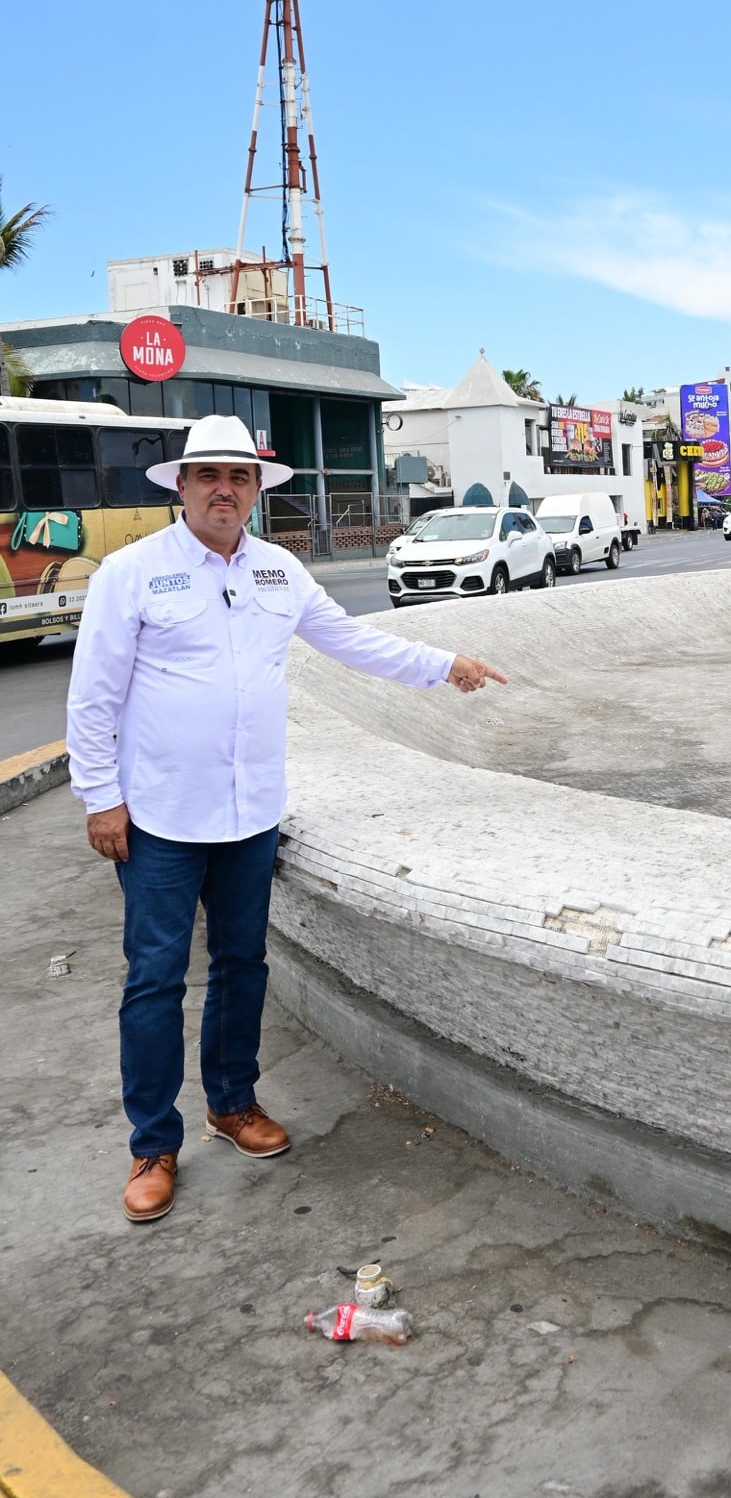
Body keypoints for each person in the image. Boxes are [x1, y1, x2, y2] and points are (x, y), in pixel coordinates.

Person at [66, 414, 506, 1225]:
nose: (224, 490)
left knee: (243, 964)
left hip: (250, 813)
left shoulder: (278, 570)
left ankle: (232, 1104)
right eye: (209, 476)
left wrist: (445, 664)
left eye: (239, 477)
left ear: (257, 490)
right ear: (182, 486)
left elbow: (351, 641)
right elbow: (93, 697)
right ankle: (152, 1145)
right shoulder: (132, 573)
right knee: (155, 979)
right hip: (160, 816)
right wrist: (101, 798)